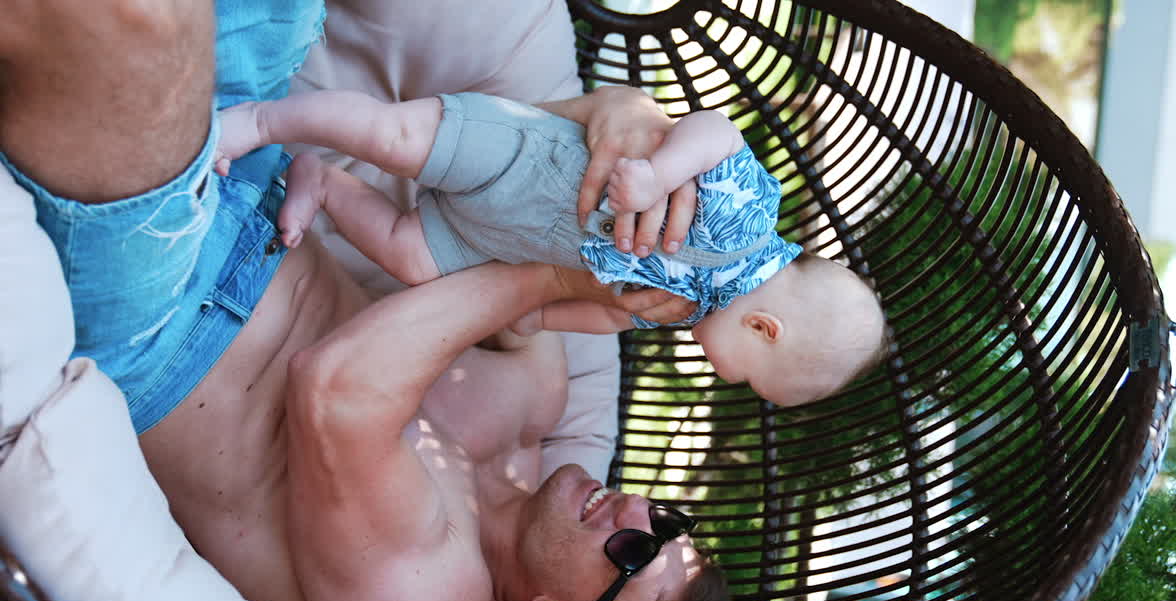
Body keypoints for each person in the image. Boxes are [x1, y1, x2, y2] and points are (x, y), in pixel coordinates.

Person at [0, 0, 735, 601]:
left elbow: (334, 388)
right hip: (254, 169)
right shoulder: (535, 412)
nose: (637, 508)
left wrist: (546, 280)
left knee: (133, 17)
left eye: (633, 555)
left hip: (163, 311)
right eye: (668, 525)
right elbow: (516, 196)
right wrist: (617, 122)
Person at [215, 89, 890, 407]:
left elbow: (610, 314)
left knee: (413, 259)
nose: (722, 378)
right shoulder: (746, 226)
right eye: (742, 378)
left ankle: (321, 181)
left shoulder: (685, 311)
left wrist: (537, 317)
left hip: (498, 239)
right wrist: (656, 173)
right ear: (764, 329)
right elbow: (717, 134)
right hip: (525, 162)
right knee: (392, 137)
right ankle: (261, 120)